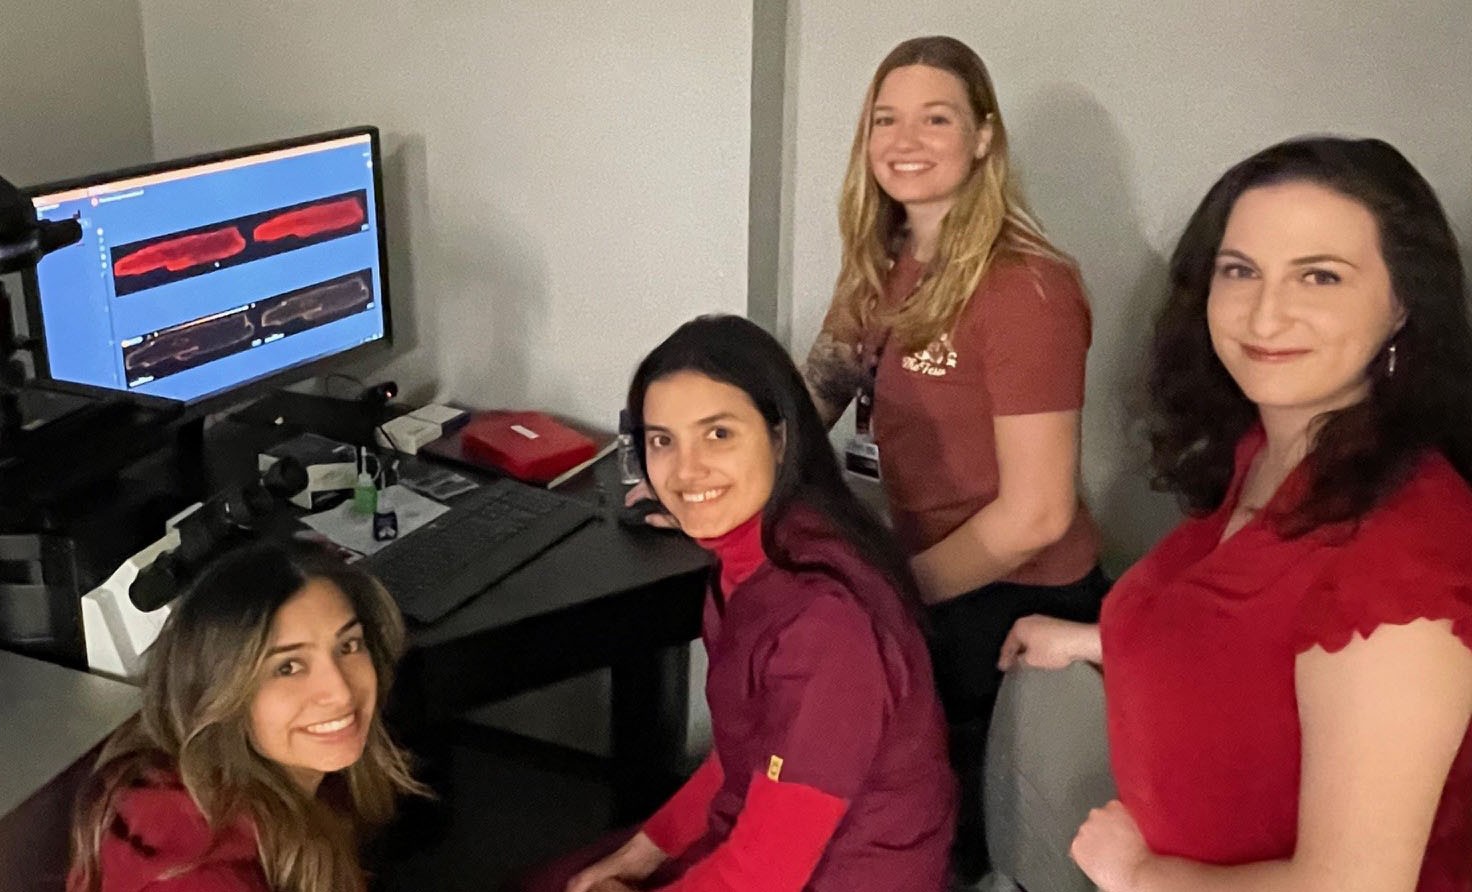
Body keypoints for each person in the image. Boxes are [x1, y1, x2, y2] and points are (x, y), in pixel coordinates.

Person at [999, 136, 1472, 891]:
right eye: (1240, 270)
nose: (1266, 311)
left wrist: (1140, 874)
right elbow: (1266, 647)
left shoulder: (1402, 555)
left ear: (1403, 304)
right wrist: (1099, 639)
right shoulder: (1272, 450)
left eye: (1320, 276)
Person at [799, 34, 1108, 879]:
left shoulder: (1027, 288)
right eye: (885, 119)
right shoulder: (890, 258)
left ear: (983, 138)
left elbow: (1036, 513)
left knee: (951, 839)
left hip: (1008, 595)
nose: (906, 140)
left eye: (936, 118)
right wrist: (706, 456)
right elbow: (816, 388)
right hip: (930, 567)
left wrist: (890, 590)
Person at [515, 314, 953, 892]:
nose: (686, 469)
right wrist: (637, 857)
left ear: (779, 436)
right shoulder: (766, 552)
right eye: (662, 441)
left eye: (718, 434)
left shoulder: (825, 623)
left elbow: (764, 874)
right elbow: (746, 755)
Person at [67, 538, 426, 892]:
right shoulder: (199, 876)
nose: (340, 692)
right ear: (222, 692)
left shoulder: (292, 780)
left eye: (348, 646)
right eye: (288, 667)